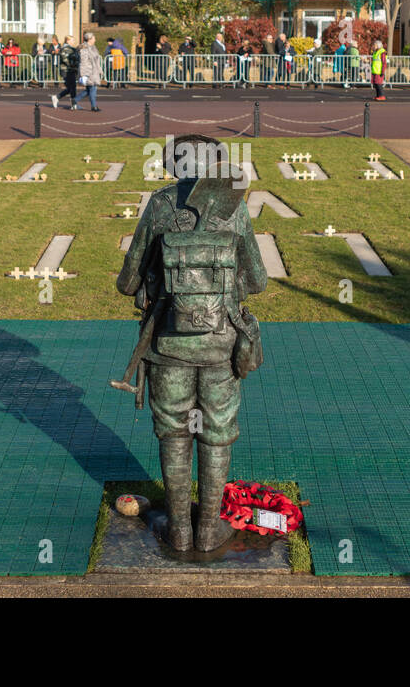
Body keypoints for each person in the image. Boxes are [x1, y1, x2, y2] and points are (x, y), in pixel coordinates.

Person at [115, 133, 268, 552]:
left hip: (168, 344)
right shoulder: (232, 208)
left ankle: (179, 530)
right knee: (217, 432)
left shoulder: (162, 204)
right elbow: (256, 279)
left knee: (174, 431)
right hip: (222, 345)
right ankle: (207, 529)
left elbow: (127, 281)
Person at [72, 32, 103, 111]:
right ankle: (94, 106)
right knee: (93, 88)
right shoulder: (84, 48)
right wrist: (84, 74)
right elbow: (84, 62)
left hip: (94, 71)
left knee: (89, 90)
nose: (95, 39)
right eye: (94, 38)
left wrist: (100, 70)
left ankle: (74, 100)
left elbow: (96, 60)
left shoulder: (93, 47)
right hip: (88, 72)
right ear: (90, 39)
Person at [51, 35, 79, 108]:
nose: (74, 42)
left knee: (72, 87)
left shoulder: (72, 49)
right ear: (68, 41)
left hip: (71, 70)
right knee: (71, 87)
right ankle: (73, 103)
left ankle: (58, 98)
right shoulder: (65, 48)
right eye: (72, 40)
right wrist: (72, 65)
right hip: (66, 70)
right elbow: (65, 59)